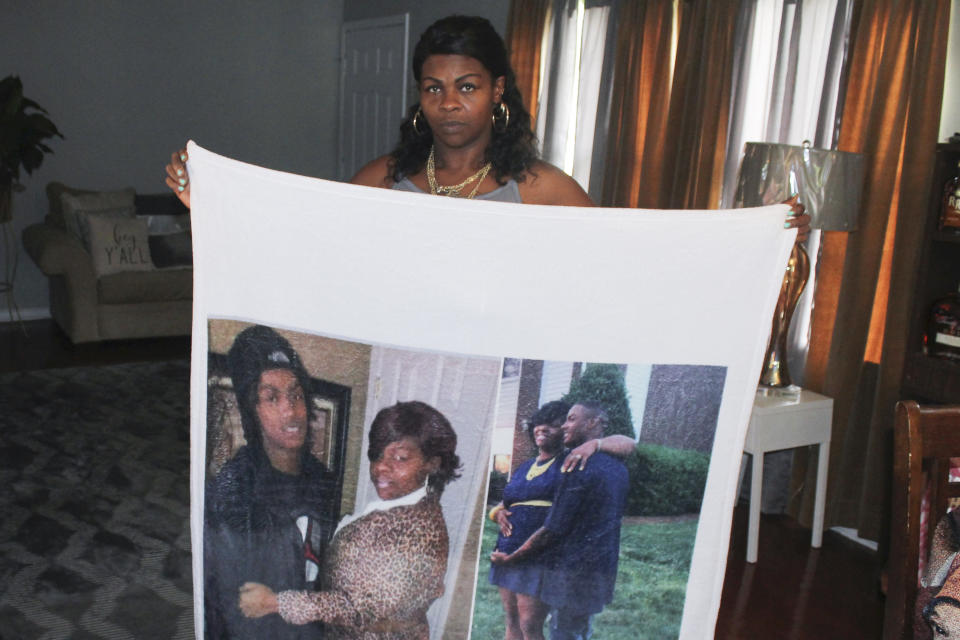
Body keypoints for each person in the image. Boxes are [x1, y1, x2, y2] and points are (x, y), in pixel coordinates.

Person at [163, 15, 810, 235]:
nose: (449, 104)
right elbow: (301, 230)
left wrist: (756, 232)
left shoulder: (541, 187)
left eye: (466, 87)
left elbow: (631, 253)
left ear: (497, 92)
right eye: (434, 88)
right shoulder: (386, 177)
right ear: (419, 98)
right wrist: (210, 204)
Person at [237, 400, 461, 639]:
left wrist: (274, 603)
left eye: (400, 458)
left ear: (432, 464)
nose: (380, 468)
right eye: (377, 455)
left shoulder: (418, 532)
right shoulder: (409, 504)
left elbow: (358, 609)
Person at [205, 325, 338, 639]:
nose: (290, 411)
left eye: (296, 395)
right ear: (252, 410)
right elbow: (234, 612)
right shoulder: (232, 494)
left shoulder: (322, 480)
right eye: (271, 398)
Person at [488, 400, 635, 640]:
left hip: (537, 555)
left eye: (558, 424)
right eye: (539, 424)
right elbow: (508, 501)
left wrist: (595, 445)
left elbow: (629, 444)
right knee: (513, 620)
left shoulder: (572, 461)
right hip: (508, 548)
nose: (544, 429)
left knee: (531, 624)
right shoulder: (524, 467)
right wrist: (497, 513)